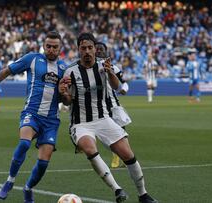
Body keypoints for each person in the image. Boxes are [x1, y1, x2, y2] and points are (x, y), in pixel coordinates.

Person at [59, 33, 158, 203]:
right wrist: (63, 93)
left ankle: (143, 194)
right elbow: (67, 101)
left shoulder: (103, 67)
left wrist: (110, 71)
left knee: (128, 155)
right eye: (83, 48)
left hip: (104, 119)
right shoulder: (71, 72)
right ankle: (117, 189)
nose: (87, 51)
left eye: (90, 48)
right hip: (81, 123)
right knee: (90, 149)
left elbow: (117, 87)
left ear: (95, 49)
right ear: (78, 50)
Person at [0, 31, 66, 203]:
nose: (51, 50)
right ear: (43, 46)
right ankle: (10, 180)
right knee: (24, 143)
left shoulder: (64, 69)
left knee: (43, 163)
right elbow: (5, 72)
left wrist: (65, 94)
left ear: (60, 48)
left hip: (51, 120)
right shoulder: (32, 59)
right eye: (48, 46)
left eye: (55, 47)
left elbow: (67, 100)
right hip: (31, 113)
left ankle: (28, 188)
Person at [95, 42, 130, 169]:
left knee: (122, 131)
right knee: (103, 134)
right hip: (98, 106)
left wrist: (124, 89)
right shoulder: (89, 69)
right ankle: (116, 153)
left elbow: (124, 82)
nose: (98, 51)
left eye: (101, 49)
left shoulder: (114, 68)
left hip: (114, 105)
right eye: (97, 49)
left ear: (106, 51)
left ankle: (123, 157)